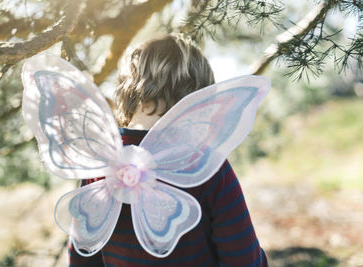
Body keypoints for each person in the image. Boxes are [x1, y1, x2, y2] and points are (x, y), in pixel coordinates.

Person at [68, 34, 268, 266]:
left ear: (126, 89)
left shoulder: (98, 162)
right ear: (198, 97)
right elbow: (244, 261)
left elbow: (82, 257)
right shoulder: (205, 164)